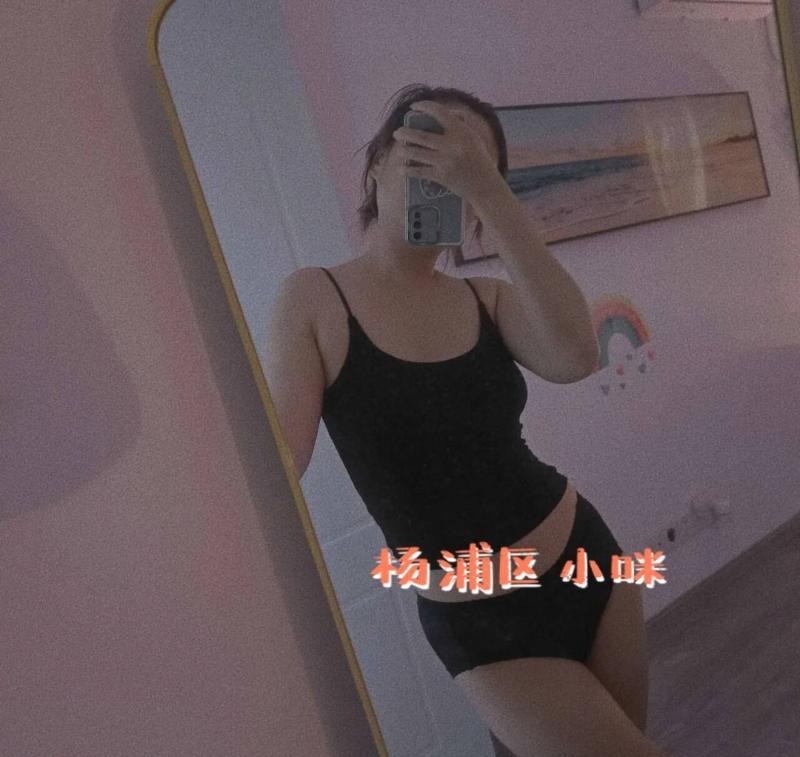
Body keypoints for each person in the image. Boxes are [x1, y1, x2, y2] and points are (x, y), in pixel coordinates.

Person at [266, 84, 668, 757]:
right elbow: (278, 462)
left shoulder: (486, 298)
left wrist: (490, 193)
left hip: (586, 559)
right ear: (376, 166)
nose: (446, 169)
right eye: (427, 145)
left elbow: (576, 355)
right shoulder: (314, 298)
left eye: (470, 161)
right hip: (479, 622)